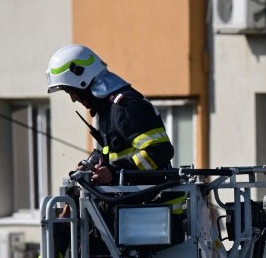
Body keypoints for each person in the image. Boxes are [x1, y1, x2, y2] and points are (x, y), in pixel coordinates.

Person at [46, 44, 174, 183]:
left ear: (83, 82)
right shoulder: (107, 108)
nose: (73, 99)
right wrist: (90, 165)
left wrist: (115, 171)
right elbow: (112, 152)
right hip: (134, 200)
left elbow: (160, 150)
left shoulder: (125, 106)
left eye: (72, 92)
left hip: (155, 202)